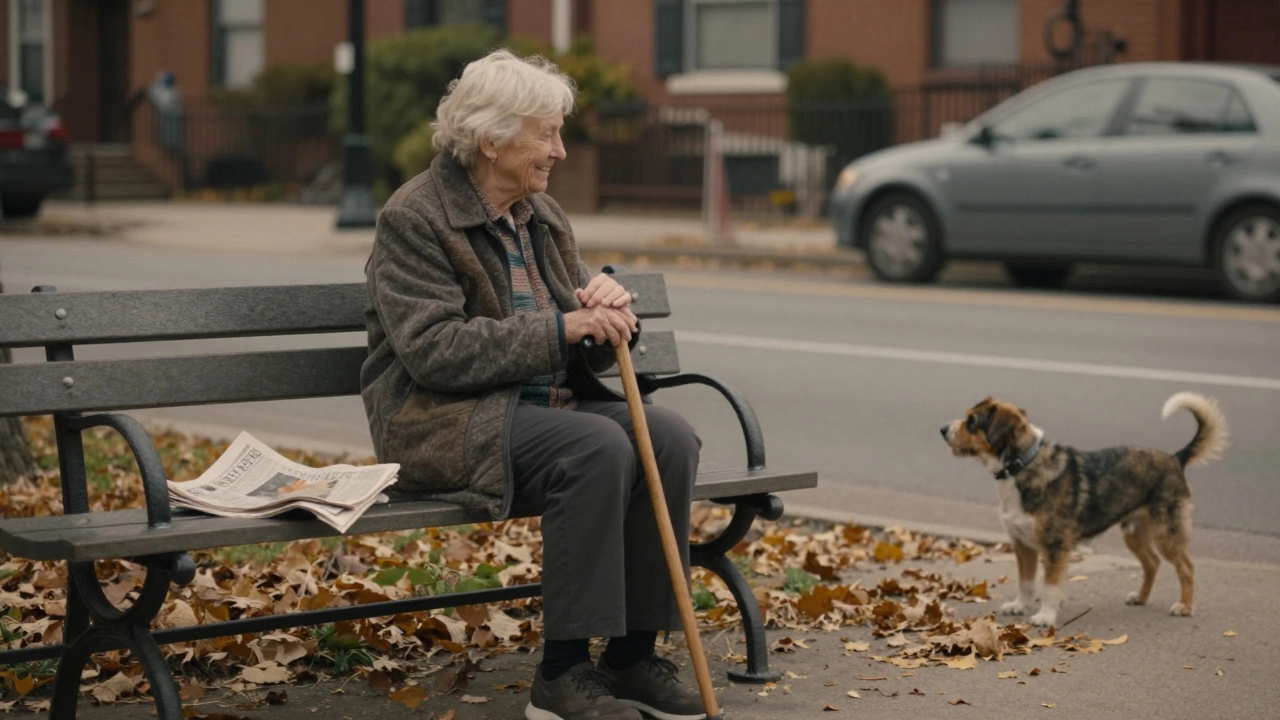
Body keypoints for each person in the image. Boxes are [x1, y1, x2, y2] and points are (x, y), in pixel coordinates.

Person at [360, 49, 708, 720]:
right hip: (441, 421)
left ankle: (634, 656)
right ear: (492, 138)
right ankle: (562, 674)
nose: (562, 151)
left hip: (540, 410)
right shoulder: (414, 219)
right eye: (546, 133)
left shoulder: (541, 214)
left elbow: (579, 343)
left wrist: (611, 317)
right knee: (596, 449)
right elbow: (435, 353)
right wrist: (564, 327)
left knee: (667, 436)